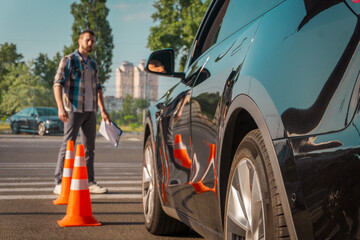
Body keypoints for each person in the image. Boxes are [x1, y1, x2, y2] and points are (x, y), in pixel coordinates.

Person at [53, 30, 110, 194]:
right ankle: (59, 181)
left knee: (89, 148)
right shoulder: (68, 60)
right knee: (68, 144)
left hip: (90, 111)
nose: (90, 43)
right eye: (88, 40)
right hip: (73, 110)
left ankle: (89, 181)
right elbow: (58, 84)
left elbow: (98, 89)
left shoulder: (93, 64)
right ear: (79, 41)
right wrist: (60, 107)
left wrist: (103, 110)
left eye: (93, 41)